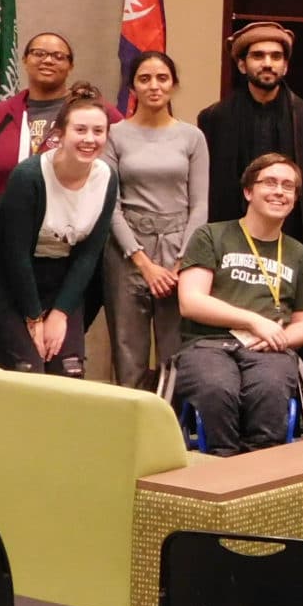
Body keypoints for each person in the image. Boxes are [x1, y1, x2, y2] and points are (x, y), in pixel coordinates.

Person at [171, 152, 303, 456]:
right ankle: (221, 466)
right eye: (270, 182)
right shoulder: (211, 236)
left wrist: (279, 338)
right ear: (248, 191)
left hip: (271, 350)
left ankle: (259, 475)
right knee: (217, 389)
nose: (279, 191)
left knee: (269, 391)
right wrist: (254, 321)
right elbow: (191, 301)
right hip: (208, 344)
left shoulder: (300, 256)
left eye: (288, 186)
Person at [0, 85, 118, 376]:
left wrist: (60, 314)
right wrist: (34, 318)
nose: (90, 139)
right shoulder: (29, 176)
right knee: (30, 371)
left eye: (98, 131)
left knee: (68, 371)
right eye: (80, 130)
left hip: (61, 282)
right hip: (8, 283)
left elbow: (89, 253)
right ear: (59, 135)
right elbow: (15, 254)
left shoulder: (107, 178)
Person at [101, 51, 209, 389]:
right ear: (132, 86)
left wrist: (181, 263)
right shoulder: (114, 134)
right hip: (127, 250)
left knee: (176, 350)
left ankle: (173, 426)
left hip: (180, 247)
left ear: (174, 85)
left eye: (162, 78)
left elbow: (200, 203)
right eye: (144, 78)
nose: (154, 86)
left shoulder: (192, 137)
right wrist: (143, 263)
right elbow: (110, 205)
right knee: (128, 349)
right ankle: (131, 432)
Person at [196, 21, 303, 244]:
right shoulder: (214, 120)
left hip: (290, 244)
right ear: (241, 64)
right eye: (258, 56)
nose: (268, 64)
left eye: (276, 57)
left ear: (285, 66)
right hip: (228, 244)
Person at [0, 32, 122, 209]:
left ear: (71, 66)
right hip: (2, 227)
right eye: (39, 53)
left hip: (72, 226)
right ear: (25, 60)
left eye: (58, 56)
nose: (48, 60)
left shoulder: (97, 113)